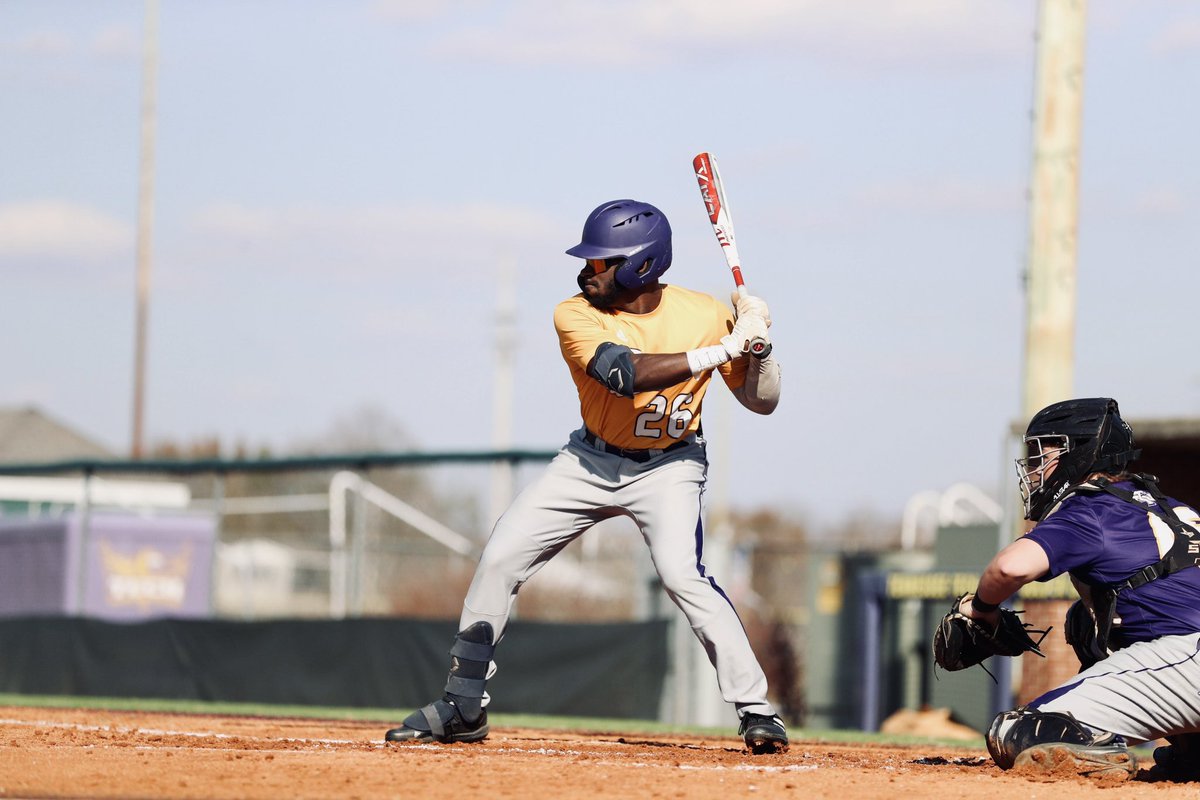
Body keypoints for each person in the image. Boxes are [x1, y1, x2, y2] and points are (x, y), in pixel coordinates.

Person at [384, 198, 787, 754]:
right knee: (501, 555)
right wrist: (723, 348)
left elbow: (761, 402)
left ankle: (758, 711)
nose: (586, 270)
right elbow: (626, 374)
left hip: (670, 464)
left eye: (602, 262)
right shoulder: (574, 314)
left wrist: (761, 347)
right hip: (589, 462)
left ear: (639, 266)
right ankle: (463, 705)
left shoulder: (707, 313)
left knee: (682, 575)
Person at [958, 397, 1200, 780]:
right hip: (1188, 661)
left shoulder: (1092, 507)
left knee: (1022, 731)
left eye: (1045, 454)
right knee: (1086, 620)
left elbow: (1008, 567)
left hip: (1190, 659)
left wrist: (981, 608)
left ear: (1080, 453)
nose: (1035, 469)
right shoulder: (1172, 507)